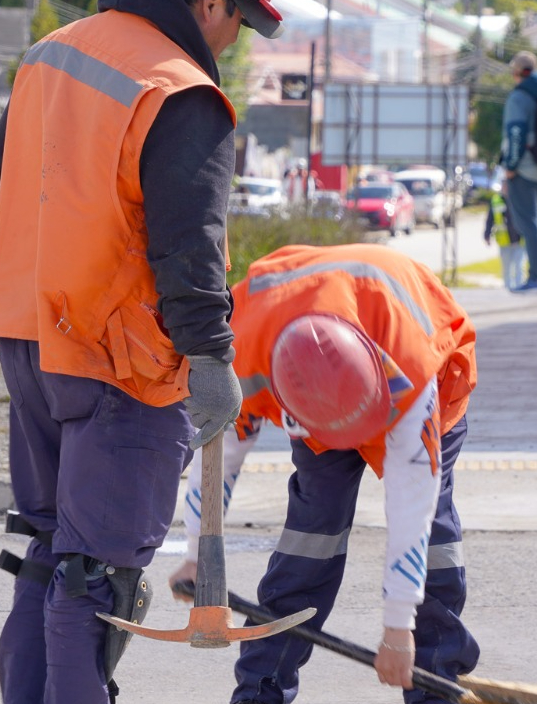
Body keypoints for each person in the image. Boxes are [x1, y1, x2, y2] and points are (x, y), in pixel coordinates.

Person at [0, 0, 284, 702]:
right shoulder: (178, 89)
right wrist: (210, 356)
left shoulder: (52, 53)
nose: (234, 40)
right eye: (242, 19)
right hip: (118, 361)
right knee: (96, 579)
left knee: (50, 556)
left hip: (28, 341)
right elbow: (190, 247)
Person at [168, 243, 480, 704]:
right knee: (311, 539)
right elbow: (220, 455)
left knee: (432, 535)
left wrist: (398, 627)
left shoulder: (411, 372)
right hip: (311, 383)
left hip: (409, 372)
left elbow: (411, 501)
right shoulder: (243, 350)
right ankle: (261, 691)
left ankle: (435, 680)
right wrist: (200, 558)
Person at [501, 50, 537, 293]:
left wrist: (510, 167)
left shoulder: (519, 97)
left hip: (523, 168)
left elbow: (516, 132)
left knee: (528, 222)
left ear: (516, 72)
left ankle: (535, 277)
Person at [481, 185, 526, 292]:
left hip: (519, 239)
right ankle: (508, 288)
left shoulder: (520, 198)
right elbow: (490, 219)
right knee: (507, 268)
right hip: (504, 241)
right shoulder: (496, 200)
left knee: (519, 266)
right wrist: (487, 235)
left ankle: (520, 288)